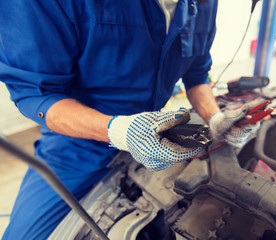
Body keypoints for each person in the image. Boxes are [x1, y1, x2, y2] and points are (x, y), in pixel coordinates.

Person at [0, 0, 259, 239]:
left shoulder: (203, 3)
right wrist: (120, 131)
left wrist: (215, 118)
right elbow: (38, 94)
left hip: (156, 135)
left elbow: (197, 74)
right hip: (76, 150)